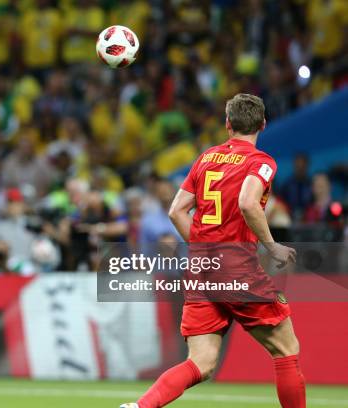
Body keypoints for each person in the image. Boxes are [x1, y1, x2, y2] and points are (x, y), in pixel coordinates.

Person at [120, 94, 305, 408]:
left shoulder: (206, 158)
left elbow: (176, 211)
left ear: (227, 124)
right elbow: (248, 202)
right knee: (286, 350)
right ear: (263, 124)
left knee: (201, 362)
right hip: (237, 267)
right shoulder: (261, 162)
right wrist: (271, 246)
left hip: (200, 269)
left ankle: (140, 407)